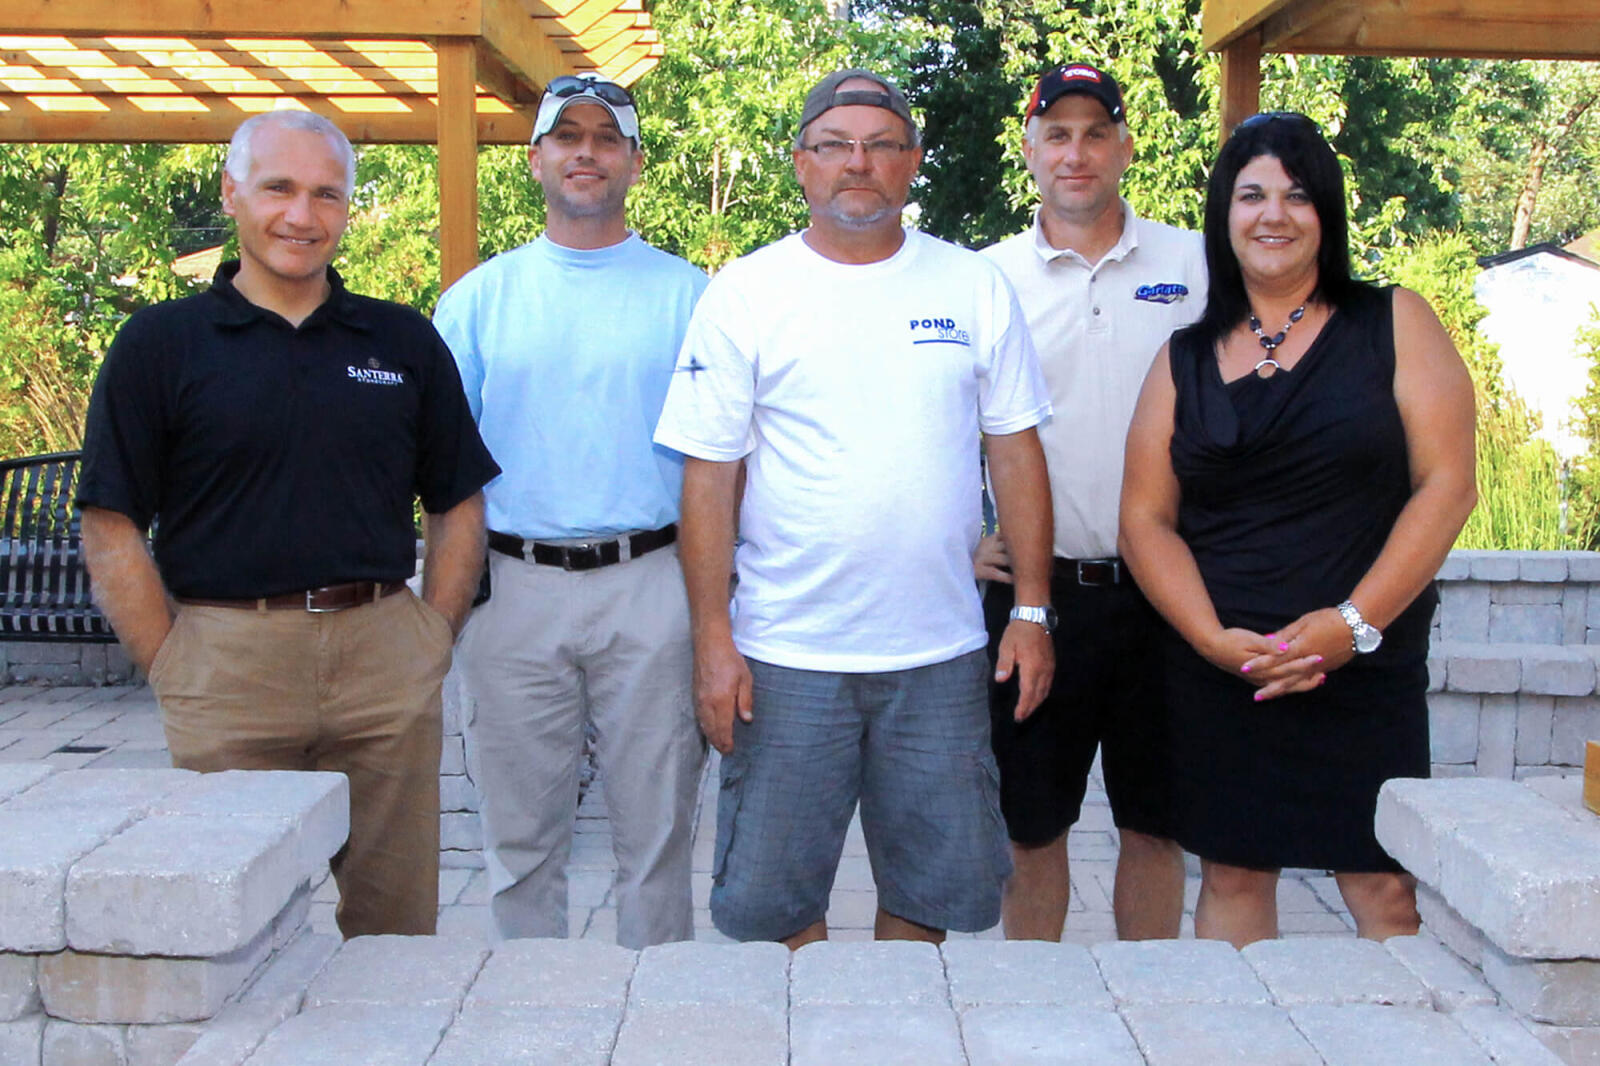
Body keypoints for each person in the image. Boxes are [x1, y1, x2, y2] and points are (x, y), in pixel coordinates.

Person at [654, 68, 1056, 948]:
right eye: (836, 145)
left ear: (912, 163)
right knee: (772, 904)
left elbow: (1017, 452)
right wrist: (712, 641)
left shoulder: (972, 285)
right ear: (802, 165)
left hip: (940, 656)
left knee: (931, 896)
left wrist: (1030, 610)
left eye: (881, 145)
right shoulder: (747, 294)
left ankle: (895, 1033)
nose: (858, 163)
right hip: (784, 654)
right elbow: (708, 477)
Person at [76, 110, 499, 938]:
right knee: (225, 927)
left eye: (325, 195)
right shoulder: (161, 344)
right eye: (278, 189)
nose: (301, 216)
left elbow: (456, 499)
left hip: (384, 660)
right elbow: (111, 519)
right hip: (226, 664)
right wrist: (170, 658)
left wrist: (431, 637)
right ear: (232, 192)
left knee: (396, 928)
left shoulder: (401, 341)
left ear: (346, 209)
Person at [1118, 111, 1476, 947]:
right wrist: (1212, 640)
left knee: (1383, 884)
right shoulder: (1182, 357)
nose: (1272, 214)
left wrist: (1352, 627)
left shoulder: (1395, 322)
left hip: (1364, 664)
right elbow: (1145, 520)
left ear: (1328, 215)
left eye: (1297, 195)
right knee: (1234, 874)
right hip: (1225, 669)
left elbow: (1448, 486)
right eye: (1251, 195)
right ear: (1223, 214)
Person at [432, 73, 708, 949]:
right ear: (535, 157)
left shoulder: (693, 297)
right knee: (519, 842)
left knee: (658, 841)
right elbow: (442, 470)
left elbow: (724, 461)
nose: (584, 152)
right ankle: (528, 1017)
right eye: (566, 136)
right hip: (514, 590)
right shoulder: (478, 300)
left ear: (634, 160)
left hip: (654, 586)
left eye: (605, 136)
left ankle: (658, 1017)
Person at [978, 63, 1205, 942]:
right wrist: (966, 535)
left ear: (1126, 146)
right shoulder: (985, 278)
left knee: (1157, 828)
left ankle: (1148, 1013)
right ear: (1030, 147)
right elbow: (936, 418)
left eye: (1095, 132)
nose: (1077, 152)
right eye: (1057, 133)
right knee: (1033, 831)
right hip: (1040, 599)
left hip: (1169, 596)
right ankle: (1033, 1022)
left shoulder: (1194, 263)